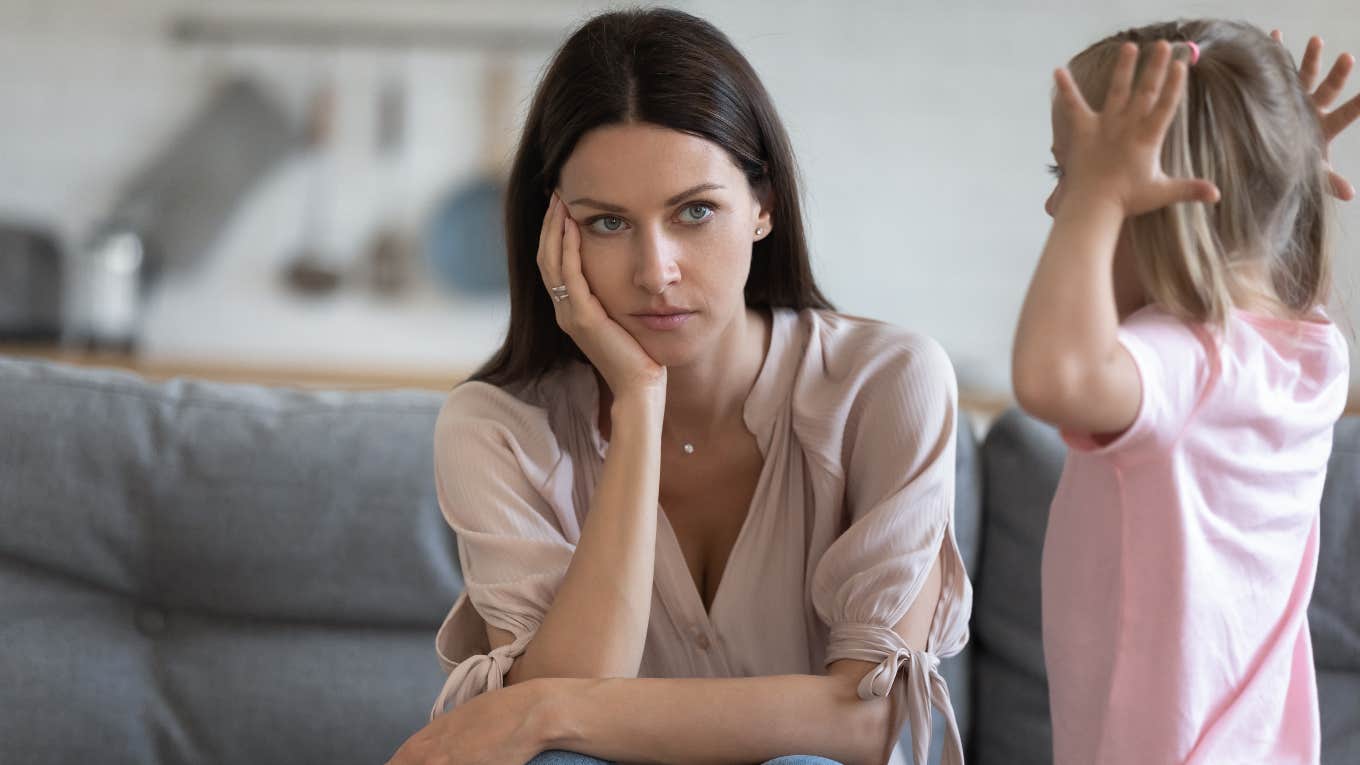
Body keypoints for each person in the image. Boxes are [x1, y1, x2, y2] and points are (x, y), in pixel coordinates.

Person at [387, 8, 972, 765]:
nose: (654, 271)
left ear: (762, 205)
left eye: (694, 211)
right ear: (552, 232)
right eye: (606, 223)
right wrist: (635, 404)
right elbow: (550, 742)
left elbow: (864, 722)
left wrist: (545, 703)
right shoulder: (496, 425)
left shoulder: (888, 384)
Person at [1013, 19, 1360, 765]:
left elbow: (1050, 377)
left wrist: (1093, 203)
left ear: (1151, 201)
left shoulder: (1182, 366)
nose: (1056, 207)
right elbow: (1266, 268)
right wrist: (1282, 177)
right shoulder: (1312, 353)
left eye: (1064, 176)